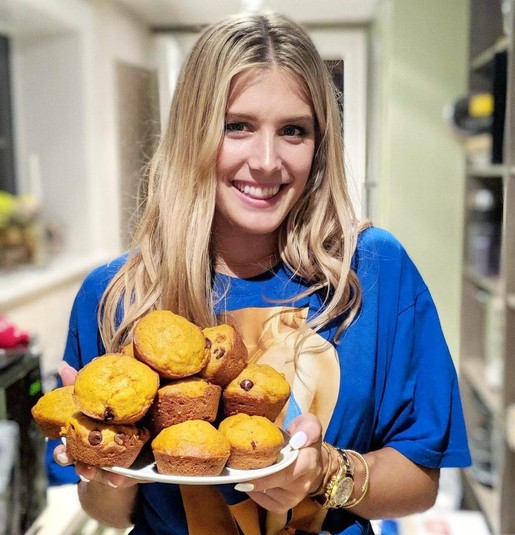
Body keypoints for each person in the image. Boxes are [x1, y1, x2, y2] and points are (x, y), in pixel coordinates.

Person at [48, 10, 471, 535]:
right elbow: (108, 511)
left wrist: (326, 472)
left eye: (294, 130)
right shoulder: (117, 295)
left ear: (319, 144)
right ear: (193, 133)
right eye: (237, 126)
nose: (267, 160)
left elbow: (420, 478)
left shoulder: (372, 272)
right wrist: (109, 465)